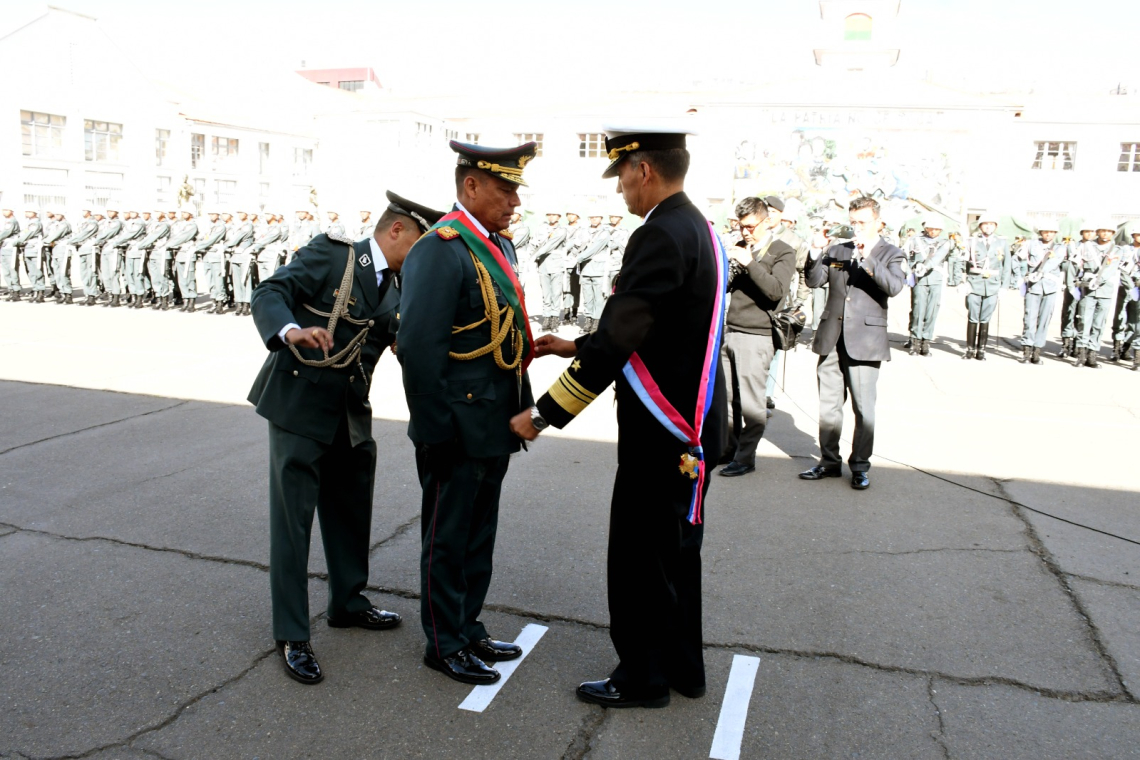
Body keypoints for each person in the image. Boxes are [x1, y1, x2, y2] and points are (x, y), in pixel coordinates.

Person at [511, 126, 727, 709]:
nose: (619, 189)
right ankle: (683, 668)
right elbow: (659, 329)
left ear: (644, 170)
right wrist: (576, 344)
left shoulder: (657, 234)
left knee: (640, 558)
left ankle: (643, 679)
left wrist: (543, 414)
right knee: (676, 554)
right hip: (691, 425)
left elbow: (621, 339)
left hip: (661, 431)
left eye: (622, 175)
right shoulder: (698, 228)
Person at [249, 189, 444, 685]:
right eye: (421, 243)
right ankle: (292, 632)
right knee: (293, 525)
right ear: (397, 229)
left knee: (352, 511)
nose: (424, 257)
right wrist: (290, 331)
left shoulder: (398, 284)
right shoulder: (334, 255)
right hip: (299, 405)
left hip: (350, 412)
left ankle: (348, 602)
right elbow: (270, 292)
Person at [398, 140, 538, 686]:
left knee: (479, 536)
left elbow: (509, 336)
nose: (514, 202)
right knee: (448, 538)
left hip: (494, 420)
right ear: (471, 186)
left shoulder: (496, 245)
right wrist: (435, 431)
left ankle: (468, 625)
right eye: (505, 190)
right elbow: (419, 349)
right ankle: (444, 642)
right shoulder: (441, 248)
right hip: (455, 426)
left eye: (516, 192)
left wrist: (522, 406)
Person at [799, 196, 905, 490]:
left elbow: (894, 286)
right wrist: (816, 251)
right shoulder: (838, 249)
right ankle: (828, 462)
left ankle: (859, 465)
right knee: (829, 406)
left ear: (878, 223)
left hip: (865, 340)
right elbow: (814, 281)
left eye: (863, 222)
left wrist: (868, 257)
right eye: (853, 222)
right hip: (832, 336)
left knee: (863, 409)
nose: (857, 227)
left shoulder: (891, 253)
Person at [719, 196, 795, 477]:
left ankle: (746, 457)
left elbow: (775, 291)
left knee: (752, 405)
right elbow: (725, 287)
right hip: (731, 329)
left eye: (750, 226)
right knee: (728, 400)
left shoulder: (782, 251)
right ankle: (729, 449)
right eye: (741, 226)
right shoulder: (741, 246)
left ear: (767, 221)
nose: (745, 232)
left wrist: (749, 263)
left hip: (757, 335)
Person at [1073, 221, 1122, 368]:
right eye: (1102, 230)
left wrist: (1098, 280)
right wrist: (1075, 282)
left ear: (1113, 233)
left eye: (1109, 231)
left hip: (1105, 290)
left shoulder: (1116, 250)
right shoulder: (1086, 246)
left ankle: (1092, 354)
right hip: (1088, 289)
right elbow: (1076, 265)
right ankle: (1081, 354)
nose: (1105, 233)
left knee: (1099, 323)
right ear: (1098, 232)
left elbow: (1111, 269)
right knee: (1084, 321)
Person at [961, 212, 1009, 360]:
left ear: (995, 226)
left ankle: (981, 350)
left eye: (991, 224)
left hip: (993, 285)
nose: (988, 227)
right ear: (980, 226)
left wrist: (1004, 286)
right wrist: (963, 282)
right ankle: (970, 349)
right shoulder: (971, 242)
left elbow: (1007, 266)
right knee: (973, 316)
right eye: (985, 224)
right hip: (974, 284)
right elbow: (963, 263)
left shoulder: (1002, 243)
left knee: (985, 318)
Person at [1017, 219, 1063, 365]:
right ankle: (1026, 350)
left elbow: (1053, 263)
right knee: (1029, 318)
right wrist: (1021, 277)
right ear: (1040, 232)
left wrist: (1038, 272)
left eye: (1051, 232)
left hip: (1050, 287)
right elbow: (1019, 260)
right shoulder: (1030, 244)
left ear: (1055, 233)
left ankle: (1037, 350)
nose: (1048, 234)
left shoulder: (1060, 248)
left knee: (1044, 320)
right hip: (1033, 286)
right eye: (1045, 232)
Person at [903, 220, 950, 356]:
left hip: (935, 279)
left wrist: (925, 267)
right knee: (918, 309)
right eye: (931, 228)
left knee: (932, 311)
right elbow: (905, 257)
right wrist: (908, 273)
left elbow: (938, 258)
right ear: (926, 228)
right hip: (919, 279)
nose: (934, 231)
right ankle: (915, 340)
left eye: (937, 229)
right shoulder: (914, 240)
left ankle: (926, 341)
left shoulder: (944, 242)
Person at [576, 211, 611, 334]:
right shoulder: (583, 231)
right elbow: (576, 245)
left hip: (599, 270)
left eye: (597, 217)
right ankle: (588, 320)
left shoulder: (604, 233)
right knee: (587, 298)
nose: (594, 219)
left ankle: (597, 322)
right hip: (585, 269)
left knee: (599, 298)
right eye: (592, 217)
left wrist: (577, 258)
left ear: (601, 218)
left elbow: (593, 249)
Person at [532, 209, 567, 331]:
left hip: (556, 264)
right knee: (546, 293)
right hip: (543, 264)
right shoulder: (540, 228)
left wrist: (535, 255)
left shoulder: (561, 230)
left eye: (554, 214)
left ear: (559, 216)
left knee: (556, 293)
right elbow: (533, 242)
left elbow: (550, 245)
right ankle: (546, 318)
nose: (551, 217)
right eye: (549, 215)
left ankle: (554, 319)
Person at [64, 210, 99, 306]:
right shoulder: (82, 222)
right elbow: (77, 233)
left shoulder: (92, 223)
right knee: (84, 274)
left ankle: (92, 295)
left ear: (89, 211)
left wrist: (71, 241)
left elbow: (83, 235)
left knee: (91, 273)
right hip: (82, 249)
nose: (83, 212)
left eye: (85, 210)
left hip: (90, 249)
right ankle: (87, 294)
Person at [16, 210, 45, 302]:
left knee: (37, 271)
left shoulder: (36, 223)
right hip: (28, 248)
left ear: (35, 213)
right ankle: (35, 290)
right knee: (31, 272)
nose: (26, 213)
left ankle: (40, 292)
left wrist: (17, 241)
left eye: (29, 211)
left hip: (34, 248)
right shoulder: (28, 223)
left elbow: (28, 234)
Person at [0, 208, 21, 300]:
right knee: (6, 271)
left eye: (6, 210)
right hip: (4, 247)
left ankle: (16, 291)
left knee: (12, 270)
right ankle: (11, 289)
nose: (3, 212)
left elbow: (6, 233)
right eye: (3, 210)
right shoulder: (7, 221)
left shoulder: (11, 221)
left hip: (10, 248)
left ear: (12, 211)